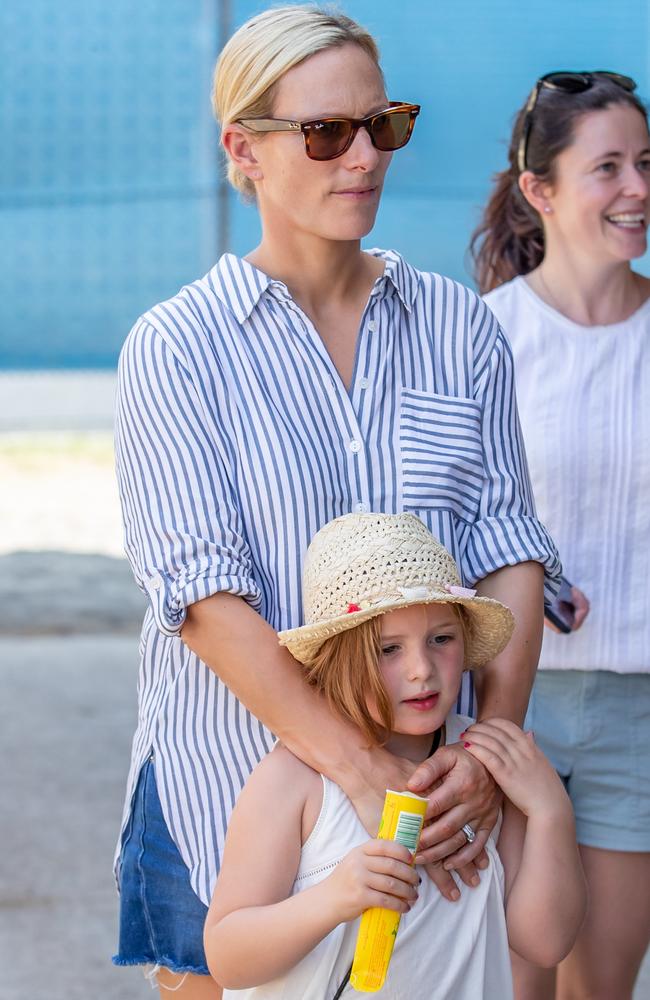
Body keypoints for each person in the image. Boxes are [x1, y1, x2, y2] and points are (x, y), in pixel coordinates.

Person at [112, 7, 560, 997]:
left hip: (432, 795)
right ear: (244, 149)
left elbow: (508, 551)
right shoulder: (178, 349)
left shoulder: (457, 327)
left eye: (381, 124)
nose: (361, 156)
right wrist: (361, 776)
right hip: (226, 783)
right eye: (325, 131)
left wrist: (486, 755)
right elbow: (204, 598)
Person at [204, 512, 586, 999]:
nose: (421, 670)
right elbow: (228, 958)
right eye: (389, 649)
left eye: (441, 639)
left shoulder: (485, 765)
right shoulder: (297, 779)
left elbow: (545, 942)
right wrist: (335, 897)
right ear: (339, 659)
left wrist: (552, 813)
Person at [472, 71, 650, 1000]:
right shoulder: (482, 339)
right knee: (513, 984)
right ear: (539, 190)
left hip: (640, 714)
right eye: (609, 167)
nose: (639, 190)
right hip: (510, 704)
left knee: (602, 992)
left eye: (647, 164)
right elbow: (443, 520)